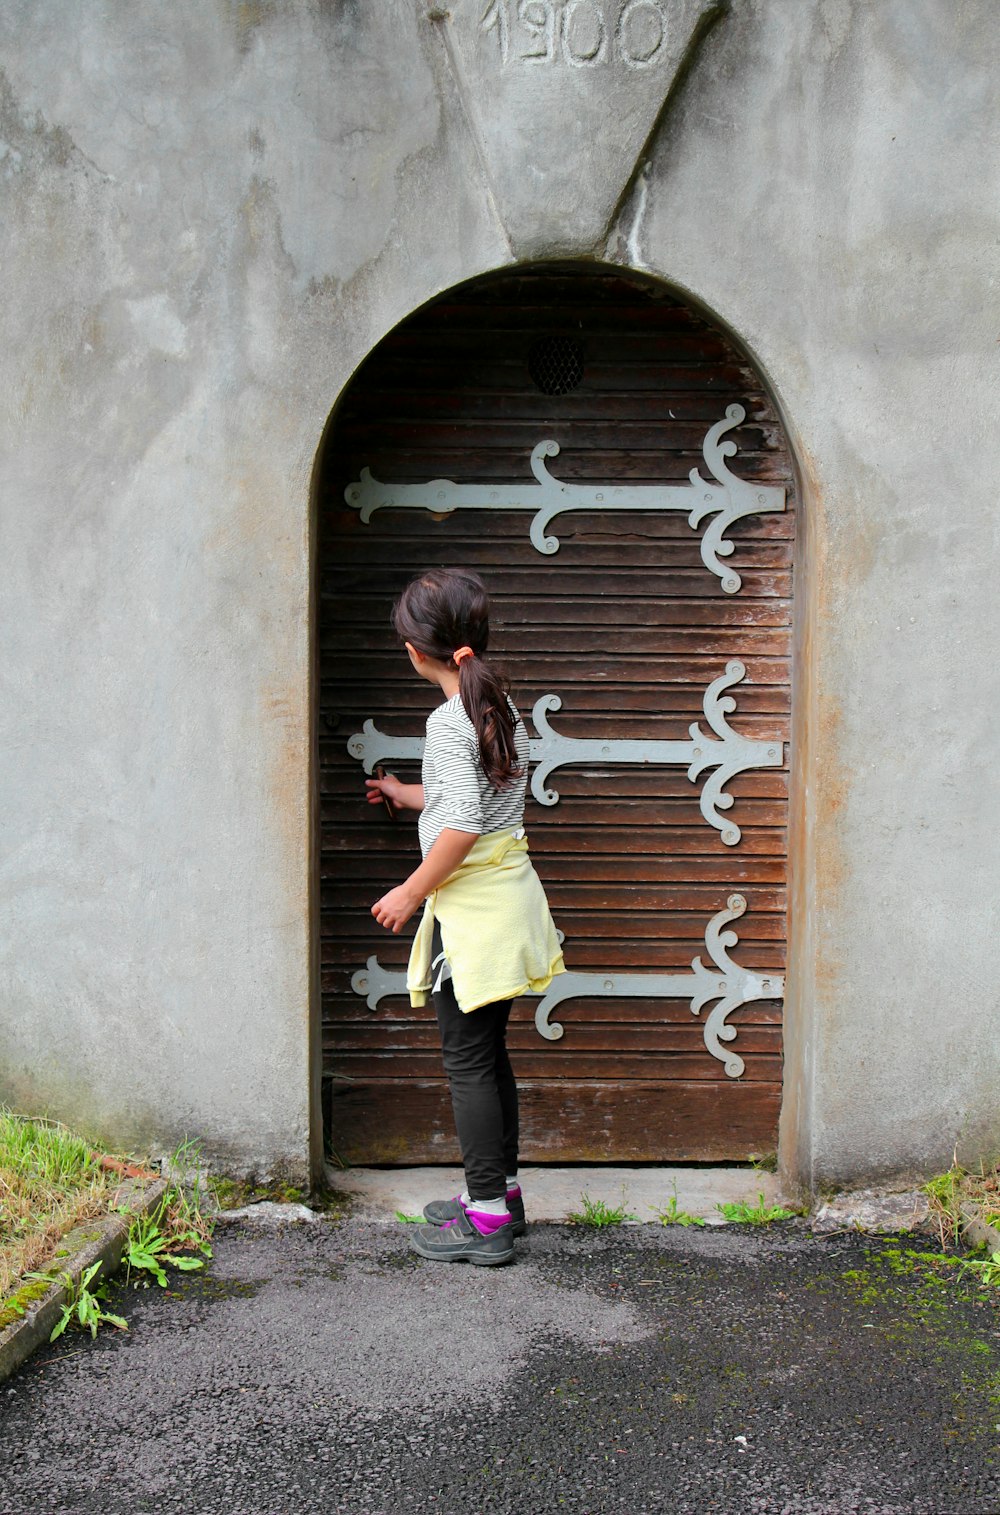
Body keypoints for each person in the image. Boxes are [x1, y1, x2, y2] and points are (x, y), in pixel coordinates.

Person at [365, 568, 565, 1266]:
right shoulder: (497, 705)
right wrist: (403, 791)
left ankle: (484, 1219)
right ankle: (501, 1194)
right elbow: (463, 797)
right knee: (488, 1055)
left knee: (468, 1061)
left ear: (418, 649)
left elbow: (463, 827)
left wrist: (410, 892)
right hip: (506, 901)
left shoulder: (448, 721)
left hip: (475, 912)